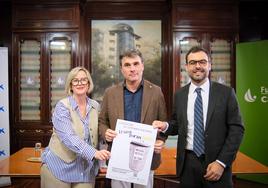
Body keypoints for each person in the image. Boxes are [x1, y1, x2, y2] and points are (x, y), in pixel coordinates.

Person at [153, 46, 245, 188]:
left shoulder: (226, 93)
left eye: (202, 62)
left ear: (209, 65)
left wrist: (221, 163)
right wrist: (165, 126)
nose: (198, 66)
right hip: (187, 164)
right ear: (186, 66)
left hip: (217, 163)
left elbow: (237, 130)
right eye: (193, 62)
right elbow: (178, 125)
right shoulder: (180, 95)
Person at [99, 49, 167, 188]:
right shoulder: (110, 93)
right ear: (121, 69)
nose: (132, 69)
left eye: (136, 64)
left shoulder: (156, 92)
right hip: (118, 157)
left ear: (142, 66)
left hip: (146, 158)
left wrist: (160, 141)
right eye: (127, 65)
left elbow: (163, 122)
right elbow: (102, 122)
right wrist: (105, 132)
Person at [41, 67, 110, 188]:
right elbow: (68, 137)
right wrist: (94, 153)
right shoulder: (62, 107)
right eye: (76, 80)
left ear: (88, 84)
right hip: (59, 167)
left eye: (84, 80)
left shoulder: (95, 106)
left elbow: (99, 131)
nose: (80, 83)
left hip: (85, 169)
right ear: (70, 85)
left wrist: (107, 133)